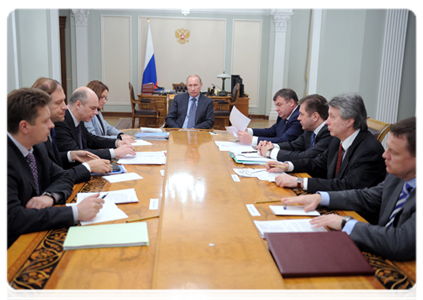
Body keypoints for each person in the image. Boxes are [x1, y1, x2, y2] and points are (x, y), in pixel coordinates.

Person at [281, 117, 420, 261]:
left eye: (394, 152)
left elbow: (400, 242)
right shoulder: (398, 176)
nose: (385, 155)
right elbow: (367, 196)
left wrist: (345, 223)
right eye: (387, 148)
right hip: (381, 252)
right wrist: (321, 197)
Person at [5, 88, 105, 250]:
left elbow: (63, 176)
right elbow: (12, 219)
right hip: (15, 248)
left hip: (40, 230)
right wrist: (75, 212)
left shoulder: (38, 146)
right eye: (45, 121)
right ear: (24, 127)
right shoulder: (6, 160)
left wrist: (50, 196)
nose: (52, 125)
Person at [266, 93, 386, 205]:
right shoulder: (337, 140)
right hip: (334, 201)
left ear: (349, 121)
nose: (327, 122)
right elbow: (318, 163)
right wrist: (287, 166)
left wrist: (300, 182)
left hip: (355, 214)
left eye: (332, 117)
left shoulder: (369, 150)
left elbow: (347, 186)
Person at [32, 78, 112, 183]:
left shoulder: (48, 131)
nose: (65, 107)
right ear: (41, 106)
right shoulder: (49, 129)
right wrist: (87, 167)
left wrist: (71, 155)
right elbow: (51, 177)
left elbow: (52, 166)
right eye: (59, 102)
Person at [54, 86, 136, 160]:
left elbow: (91, 139)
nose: (96, 112)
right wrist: (115, 152)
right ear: (78, 105)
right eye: (92, 108)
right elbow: (79, 153)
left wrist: (116, 142)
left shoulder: (79, 118)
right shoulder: (60, 123)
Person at [257, 94, 333, 161]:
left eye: (301, 114)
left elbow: (307, 156)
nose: (298, 118)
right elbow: (294, 145)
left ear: (315, 116)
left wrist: (271, 152)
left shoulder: (328, 133)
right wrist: (272, 146)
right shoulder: (309, 129)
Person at [237, 88, 303, 146]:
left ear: (291, 102)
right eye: (276, 106)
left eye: (279, 105)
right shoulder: (284, 114)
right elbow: (271, 131)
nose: (276, 109)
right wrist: (248, 131)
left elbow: (284, 140)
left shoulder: (298, 117)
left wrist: (252, 139)